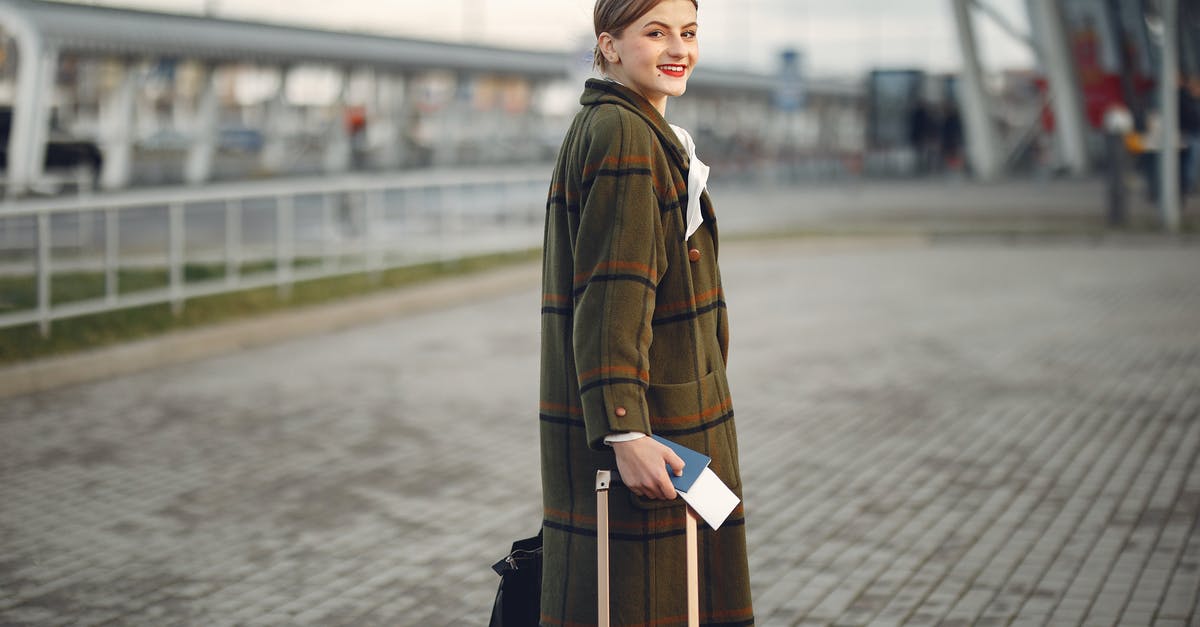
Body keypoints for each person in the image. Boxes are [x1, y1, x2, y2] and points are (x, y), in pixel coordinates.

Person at [538, 0, 754, 625]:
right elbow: (613, 294)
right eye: (655, 33)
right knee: (646, 603)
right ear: (609, 44)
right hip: (657, 427)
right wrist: (627, 431)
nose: (678, 49)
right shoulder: (626, 134)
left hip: (667, 415)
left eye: (688, 33)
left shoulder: (623, 125)